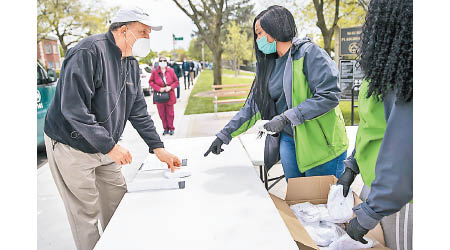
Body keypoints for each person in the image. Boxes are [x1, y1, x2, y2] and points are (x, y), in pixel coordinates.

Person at [43, 7, 181, 250]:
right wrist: (110, 146)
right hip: (71, 145)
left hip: (105, 145)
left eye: (149, 33)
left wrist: (158, 147)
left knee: (118, 204)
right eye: (143, 32)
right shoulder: (88, 52)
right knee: (85, 214)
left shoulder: (130, 63)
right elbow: (73, 109)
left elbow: (138, 109)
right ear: (123, 29)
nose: (147, 38)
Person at [204, 5, 348, 181]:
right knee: (297, 203)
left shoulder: (310, 53)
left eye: (260, 33)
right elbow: (252, 107)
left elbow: (329, 95)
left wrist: (286, 117)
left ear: (275, 29)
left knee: (323, 203)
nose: (258, 39)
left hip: (321, 144)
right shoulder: (268, 66)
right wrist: (224, 135)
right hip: (289, 140)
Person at [337, 0, 413, 248]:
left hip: (399, 202)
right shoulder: (386, 69)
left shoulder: (408, 78)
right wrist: (353, 164)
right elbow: (373, 124)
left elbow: (405, 153)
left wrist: (370, 212)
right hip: (380, 194)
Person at [149, 56, 179, 135]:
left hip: (169, 95)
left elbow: (176, 82)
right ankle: (165, 128)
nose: (163, 62)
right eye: (161, 60)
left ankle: (171, 128)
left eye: (164, 60)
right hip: (159, 96)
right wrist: (158, 88)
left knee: (170, 113)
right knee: (162, 114)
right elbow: (151, 82)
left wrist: (170, 87)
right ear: (159, 62)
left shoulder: (171, 71)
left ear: (166, 62)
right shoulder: (155, 72)